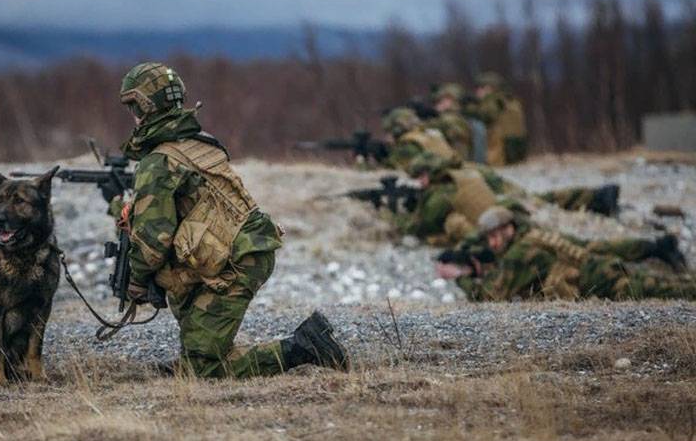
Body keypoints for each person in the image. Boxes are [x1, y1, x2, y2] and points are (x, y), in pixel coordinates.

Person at [104, 62, 349, 378]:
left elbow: (154, 239)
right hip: (240, 251)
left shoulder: (159, 161)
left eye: (134, 105)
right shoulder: (198, 143)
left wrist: (136, 280)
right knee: (193, 334)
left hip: (235, 261)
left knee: (204, 371)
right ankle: (200, 352)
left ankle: (304, 347)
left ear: (147, 105)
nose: (133, 115)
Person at [440, 206, 695, 301]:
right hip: (598, 269)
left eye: (496, 236)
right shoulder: (532, 236)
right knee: (666, 286)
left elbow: (490, 295)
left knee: (667, 291)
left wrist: (460, 277)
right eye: (489, 238)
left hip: (596, 280)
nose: (493, 243)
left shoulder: (520, 251)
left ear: (509, 229)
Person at [401, 145, 621, 246]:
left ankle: (627, 245)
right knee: (548, 206)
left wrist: (408, 209)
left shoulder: (443, 189)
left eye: (420, 177)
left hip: (503, 217)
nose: (419, 182)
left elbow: (424, 223)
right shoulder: (461, 170)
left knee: (565, 244)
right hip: (505, 202)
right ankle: (597, 198)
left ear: (430, 173)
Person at [465, 72, 528, 166]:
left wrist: (468, 108)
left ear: (489, 88)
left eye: (480, 88)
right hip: (517, 150)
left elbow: (485, 116)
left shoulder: (493, 100)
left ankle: (477, 163)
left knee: (475, 125)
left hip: (499, 154)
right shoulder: (511, 100)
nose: (477, 91)